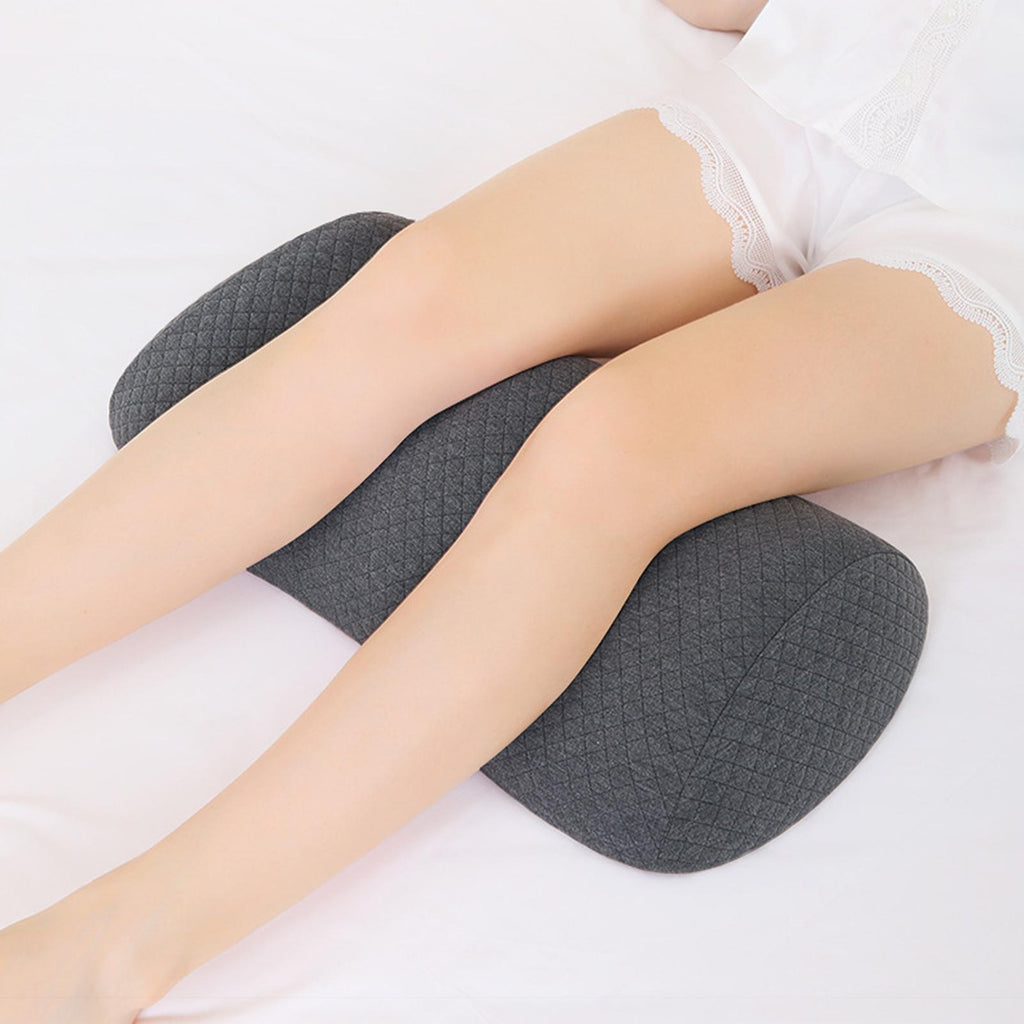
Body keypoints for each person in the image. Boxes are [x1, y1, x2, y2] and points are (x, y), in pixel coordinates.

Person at [1, 0, 1021, 1019]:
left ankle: (108, 955)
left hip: (994, 227)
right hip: (813, 84)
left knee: (616, 438)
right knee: (413, 292)